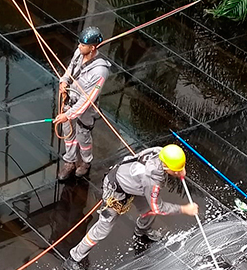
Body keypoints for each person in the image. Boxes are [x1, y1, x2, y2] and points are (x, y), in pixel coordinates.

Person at [62, 144, 199, 270]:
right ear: (166, 167)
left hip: (133, 182)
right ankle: (73, 257)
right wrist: (185, 209)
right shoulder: (152, 180)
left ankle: (142, 230)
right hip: (116, 190)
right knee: (103, 228)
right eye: (176, 170)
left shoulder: (159, 151)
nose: (181, 172)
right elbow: (158, 207)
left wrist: (178, 170)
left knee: (148, 210)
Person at [54, 26, 111, 180]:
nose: (79, 47)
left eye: (83, 45)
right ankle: (70, 161)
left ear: (92, 48)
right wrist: (64, 81)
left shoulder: (100, 71)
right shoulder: (79, 53)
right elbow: (70, 68)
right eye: (79, 43)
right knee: (68, 134)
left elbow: (88, 100)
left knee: (82, 136)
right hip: (70, 102)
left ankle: (86, 162)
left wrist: (68, 115)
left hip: (85, 109)